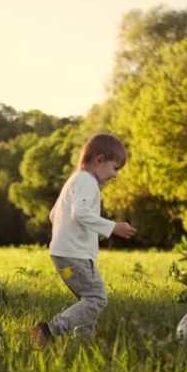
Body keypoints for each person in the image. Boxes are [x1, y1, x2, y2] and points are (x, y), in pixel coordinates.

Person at [31, 133, 137, 347]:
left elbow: (54, 214)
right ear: (99, 160)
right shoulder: (87, 181)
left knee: (86, 299)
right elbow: (79, 213)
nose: (115, 175)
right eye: (115, 168)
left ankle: (83, 342)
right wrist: (112, 227)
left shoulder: (74, 180)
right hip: (75, 257)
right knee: (96, 298)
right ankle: (50, 330)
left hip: (63, 259)